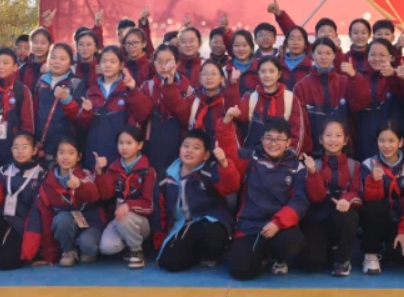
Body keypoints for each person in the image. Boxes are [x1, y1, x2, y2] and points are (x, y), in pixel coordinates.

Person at [217, 111, 308, 280]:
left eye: (279, 139)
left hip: (278, 225)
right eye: (268, 137)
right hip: (250, 225)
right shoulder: (250, 158)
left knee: (292, 242)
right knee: (241, 271)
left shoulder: (297, 167)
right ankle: (262, 256)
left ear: (288, 142)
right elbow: (230, 151)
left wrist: (277, 223)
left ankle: (278, 257)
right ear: (262, 139)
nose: (273, 143)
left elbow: (300, 201)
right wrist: (226, 122)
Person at [155, 129, 240, 271]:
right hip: (181, 225)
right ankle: (193, 253)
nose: (189, 151)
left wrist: (224, 163)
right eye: (186, 146)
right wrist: (159, 242)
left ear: (206, 155)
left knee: (214, 234)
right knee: (169, 263)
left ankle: (211, 254)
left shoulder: (210, 170)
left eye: (196, 148)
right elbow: (160, 210)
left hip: (207, 222)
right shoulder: (166, 175)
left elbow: (231, 186)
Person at [0, 132, 45, 270]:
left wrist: (33, 242)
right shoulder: (3, 171)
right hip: (3, 218)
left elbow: (38, 211)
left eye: (25, 147)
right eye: (16, 147)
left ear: (34, 150)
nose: (20, 151)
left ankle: (2, 254)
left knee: (7, 263)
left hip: (21, 224)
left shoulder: (41, 174)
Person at [299, 119, 362, 276]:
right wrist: (313, 173)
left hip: (342, 213)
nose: (333, 140)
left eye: (338, 135)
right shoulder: (314, 164)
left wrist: (346, 200)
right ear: (321, 139)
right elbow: (316, 197)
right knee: (312, 263)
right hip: (318, 217)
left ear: (346, 140)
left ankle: (342, 260)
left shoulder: (354, 165)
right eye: (328, 135)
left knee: (349, 217)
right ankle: (326, 249)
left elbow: (357, 192)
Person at [292, 37, 371, 156]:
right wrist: (304, 150)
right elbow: (300, 123)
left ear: (334, 55)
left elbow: (362, 102)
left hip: (342, 149)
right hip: (313, 151)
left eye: (328, 53)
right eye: (319, 53)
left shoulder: (345, 81)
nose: (323, 57)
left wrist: (354, 76)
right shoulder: (301, 86)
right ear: (312, 55)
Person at [70, 46, 143, 169]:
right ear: (98, 66)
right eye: (104, 61)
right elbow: (83, 126)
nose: (108, 65)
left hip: (120, 151)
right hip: (94, 150)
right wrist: (86, 112)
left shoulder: (128, 88)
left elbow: (141, 114)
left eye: (113, 62)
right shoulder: (91, 91)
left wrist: (134, 89)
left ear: (121, 65)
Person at [36, 137, 103, 267]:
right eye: (61, 152)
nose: (65, 157)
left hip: (91, 222)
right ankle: (69, 251)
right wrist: (49, 255)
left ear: (79, 157)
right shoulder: (47, 183)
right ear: (55, 156)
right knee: (60, 219)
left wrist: (80, 185)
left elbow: (95, 196)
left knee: (88, 246)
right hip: (68, 224)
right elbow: (46, 219)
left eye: (71, 153)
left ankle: (83, 247)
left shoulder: (86, 174)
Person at [360, 120, 404, 274]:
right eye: (382, 141)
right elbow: (367, 201)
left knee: (403, 259)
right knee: (375, 206)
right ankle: (370, 254)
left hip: (399, 222)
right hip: (376, 221)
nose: (386, 145)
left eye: (391, 141)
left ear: (400, 142)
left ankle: (388, 248)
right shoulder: (368, 164)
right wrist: (374, 182)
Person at [95, 126, 156, 268]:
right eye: (121, 143)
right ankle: (129, 246)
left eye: (129, 143)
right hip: (119, 218)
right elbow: (106, 195)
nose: (124, 147)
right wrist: (100, 173)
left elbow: (149, 205)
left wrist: (129, 205)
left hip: (140, 223)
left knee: (125, 217)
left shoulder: (148, 171)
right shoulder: (113, 168)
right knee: (107, 248)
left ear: (140, 145)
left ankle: (136, 251)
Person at [129, 44, 194, 175]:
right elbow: (142, 115)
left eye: (168, 61)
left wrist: (170, 86)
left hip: (178, 143)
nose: (164, 66)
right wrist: (133, 90)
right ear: (154, 63)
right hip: (153, 143)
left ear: (177, 62)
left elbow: (186, 118)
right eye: (159, 61)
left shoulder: (187, 88)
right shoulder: (147, 86)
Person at [353, 39, 404, 162]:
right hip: (364, 140)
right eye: (373, 54)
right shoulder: (358, 78)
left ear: (391, 57)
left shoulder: (399, 76)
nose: (377, 58)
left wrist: (399, 77)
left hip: (391, 140)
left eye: (382, 55)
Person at [231, 56, 305, 152]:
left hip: (280, 157)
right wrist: (232, 85)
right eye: (263, 71)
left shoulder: (290, 98)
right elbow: (234, 116)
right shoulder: (250, 97)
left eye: (271, 71)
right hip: (253, 156)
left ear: (279, 74)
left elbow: (297, 132)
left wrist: (290, 156)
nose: (267, 75)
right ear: (258, 74)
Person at [161, 60, 238, 151]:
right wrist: (170, 77)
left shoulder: (226, 99)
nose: (209, 77)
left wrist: (233, 84)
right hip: (195, 151)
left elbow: (233, 105)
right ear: (200, 78)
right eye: (204, 74)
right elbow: (176, 105)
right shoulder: (194, 99)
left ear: (221, 78)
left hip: (221, 150)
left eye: (213, 74)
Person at [33, 43, 86, 165]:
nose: (57, 62)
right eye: (53, 57)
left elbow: (78, 116)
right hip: (40, 143)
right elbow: (34, 111)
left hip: (64, 145)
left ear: (70, 63)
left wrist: (66, 99)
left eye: (62, 59)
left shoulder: (76, 83)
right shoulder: (41, 82)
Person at [224, 30, 260, 94]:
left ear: (251, 47)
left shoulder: (260, 68)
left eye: (245, 45)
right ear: (231, 48)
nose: (241, 49)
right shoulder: (225, 70)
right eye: (236, 45)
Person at [17, 26, 53, 91]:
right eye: (35, 42)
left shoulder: (54, 68)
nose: (39, 46)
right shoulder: (23, 69)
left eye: (43, 43)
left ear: (49, 45)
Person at [279, 25, 313, 91]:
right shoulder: (278, 64)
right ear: (286, 44)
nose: (295, 42)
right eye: (292, 39)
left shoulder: (311, 65)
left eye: (299, 39)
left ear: (305, 44)